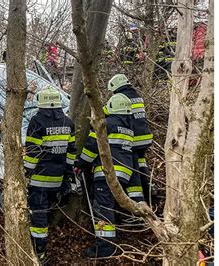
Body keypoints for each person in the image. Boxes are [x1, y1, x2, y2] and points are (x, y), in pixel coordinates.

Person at [76, 93, 138, 258]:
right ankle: (111, 240)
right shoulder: (129, 128)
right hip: (125, 174)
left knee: (103, 209)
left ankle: (105, 247)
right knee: (110, 206)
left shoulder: (105, 124)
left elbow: (91, 147)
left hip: (107, 174)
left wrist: (80, 163)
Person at [24, 86, 76, 263]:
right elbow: (71, 152)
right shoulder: (68, 123)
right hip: (58, 179)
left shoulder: (37, 122)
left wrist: (25, 174)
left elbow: (32, 153)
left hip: (39, 180)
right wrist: (68, 175)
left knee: (38, 216)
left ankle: (39, 250)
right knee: (47, 213)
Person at [105, 74, 154, 204]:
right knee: (141, 163)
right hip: (145, 138)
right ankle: (148, 188)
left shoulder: (120, 98)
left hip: (133, 139)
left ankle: (137, 199)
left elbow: (108, 111)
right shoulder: (137, 96)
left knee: (133, 170)